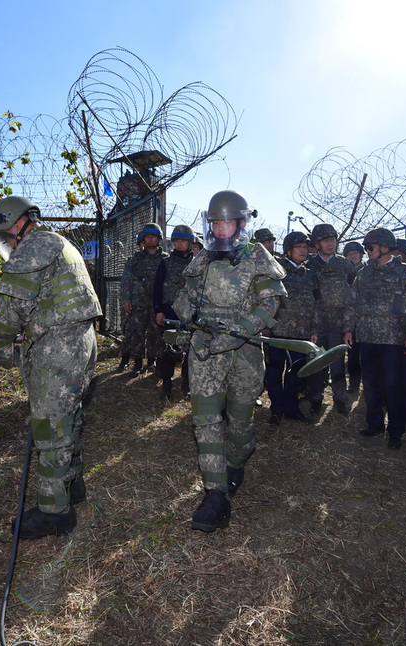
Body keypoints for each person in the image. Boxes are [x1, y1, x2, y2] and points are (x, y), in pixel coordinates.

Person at [0, 196, 102, 538]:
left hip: (58, 349)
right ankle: (72, 485)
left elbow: (8, 311)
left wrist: (1, 351)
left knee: (51, 429)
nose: (7, 244)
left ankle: (55, 512)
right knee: (69, 417)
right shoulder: (60, 242)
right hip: (81, 342)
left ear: (17, 223)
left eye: (6, 236)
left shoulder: (32, 249)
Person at [173, 190, 286, 532]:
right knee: (205, 421)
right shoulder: (202, 258)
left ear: (241, 223)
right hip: (206, 351)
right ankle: (215, 496)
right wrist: (184, 313)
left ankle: (236, 463)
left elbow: (270, 304)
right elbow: (184, 296)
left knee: (240, 424)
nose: (222, 230)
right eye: (216, 223)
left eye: (228, 222)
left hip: (244, 351)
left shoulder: (257, 256)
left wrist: (240, 330)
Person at [345, 227, 406, 449]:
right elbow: (352, 303)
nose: (367, 251)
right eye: (366, 247)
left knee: (393, 385)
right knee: (370, 384)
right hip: (367, 337)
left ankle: (396, 430)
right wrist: (348, 328)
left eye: (370, 247)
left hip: (393, 339)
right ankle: (375, 424)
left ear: (384, 248)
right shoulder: (364, 273)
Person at [266, 231, 319, 425]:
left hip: (301, 334)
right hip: (279, 331)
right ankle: (276, 409)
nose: (303, 250)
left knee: (296, 373)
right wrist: (266, 326)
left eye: (305, 247)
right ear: (288, 251)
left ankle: (292, 409)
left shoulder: (310, 274)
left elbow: (315, 304)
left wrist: (313, 329)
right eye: (299, 247)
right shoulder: (277, 272)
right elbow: (267, 300)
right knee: (275, 372)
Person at [306, 223, 356, 415]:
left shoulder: (345, 264)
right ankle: (316, 399)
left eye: (333, 240)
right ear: (317, 244)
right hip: (316, 325)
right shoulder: (310, 265)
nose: (330, 244)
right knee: (316, 365)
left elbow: (352, 298)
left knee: (337, 365)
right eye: (326, 240)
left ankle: (340, 399)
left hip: (337, 324)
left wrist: (348, 327)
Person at [120, 222, 168, 375]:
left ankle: (153, 361)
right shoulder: (136, 259)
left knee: (156, 334)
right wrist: (126, 299)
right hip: (138, 303)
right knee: (137, 333)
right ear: (143, 239)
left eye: (154, 237)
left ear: (159, 239)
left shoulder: (166, 259)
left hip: (158, 304)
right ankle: (137, 364)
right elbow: (126, 280)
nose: (150, 240)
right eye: (147, 237)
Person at [154, 224, 196, 400]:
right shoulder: (165, 263)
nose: (179, 244)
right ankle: (167, 383)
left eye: (183, 241)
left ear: (190, 243)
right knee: (168, 348)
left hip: (191, 312)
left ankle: (186, 383)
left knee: (192, 348)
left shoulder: (198, 264)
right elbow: (157, 288)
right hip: (169, 311)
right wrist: (158, 310)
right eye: (177, 240)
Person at [343, 241, 365, 393]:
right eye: (349, 254)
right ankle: (354, 384)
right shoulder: (343, 272)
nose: (352, 256)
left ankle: (368, 385)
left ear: (361, 254)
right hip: (349, 318)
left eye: (355, 253)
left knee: (367, 356)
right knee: (352, 355)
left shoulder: (368, 270)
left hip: (366, 319)